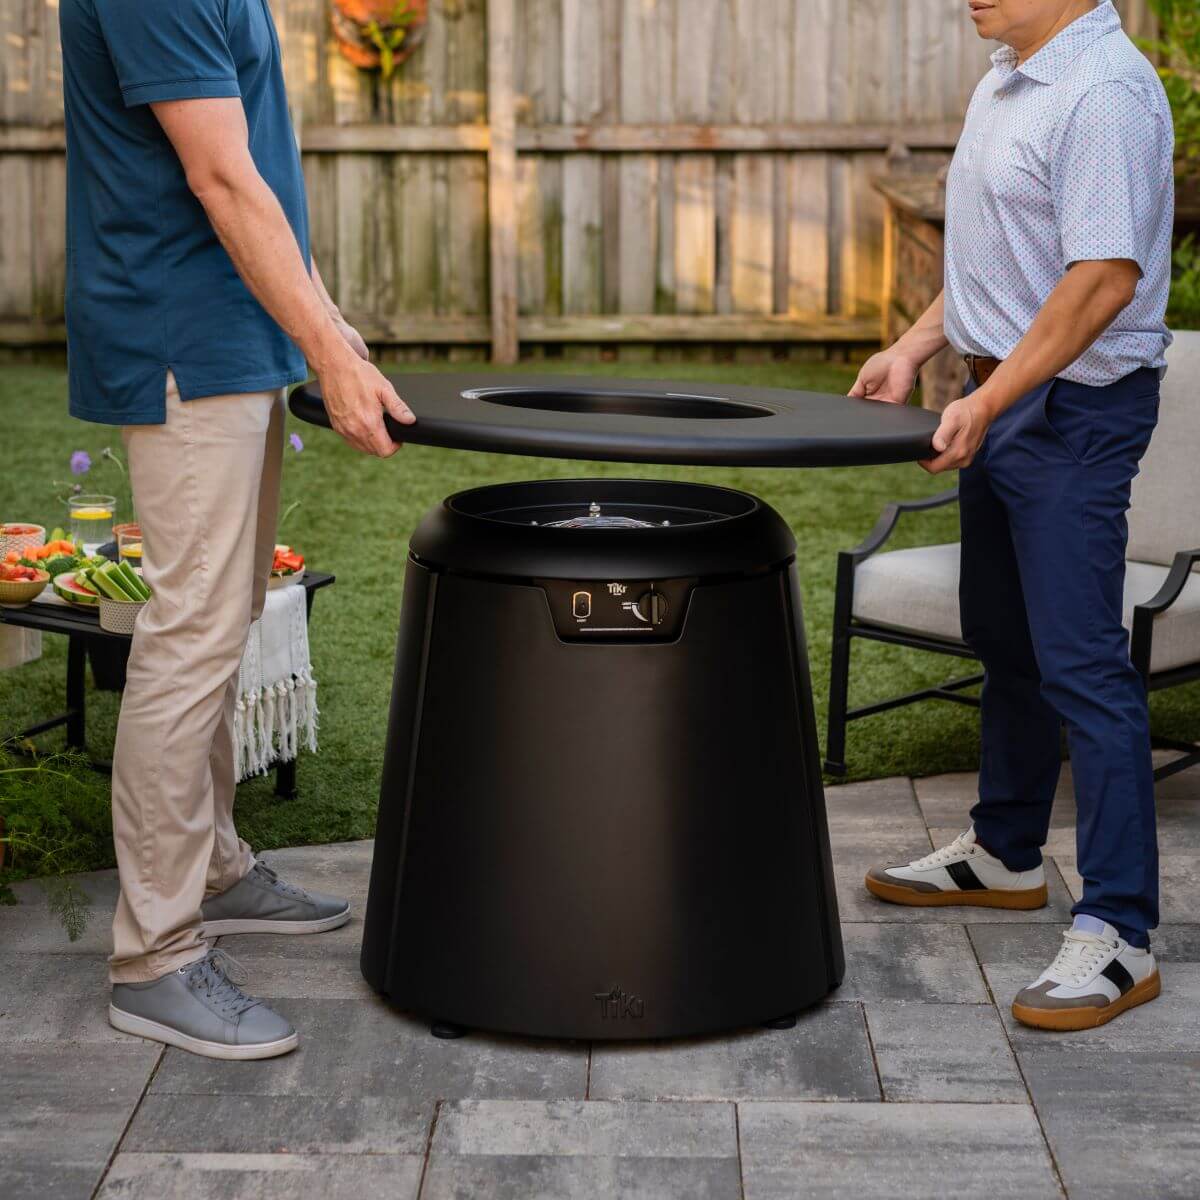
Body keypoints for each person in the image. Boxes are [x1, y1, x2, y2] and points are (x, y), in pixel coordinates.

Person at [59, 0, 414, 1059]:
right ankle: (154, 958)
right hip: (182, 332)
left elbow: (254, 174)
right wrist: (330, 354)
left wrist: (327, 324)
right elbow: (217, 178)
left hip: (235, 325)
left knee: (226, 619)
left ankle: (214, 866)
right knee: (189, 636)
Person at [851, 0, 1173, 1031]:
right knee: (1004, 633)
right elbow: (1002, 262)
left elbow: (1101, 280)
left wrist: (994, 399)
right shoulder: (1010, 73)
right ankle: (1006, 853)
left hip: (1072, 411)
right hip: (1004, 395)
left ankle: (1122, 931)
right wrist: (916, 346)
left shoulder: (1104, 91)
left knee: (1082, 662)